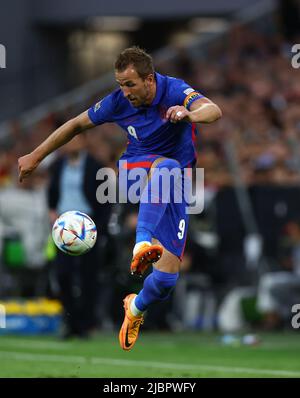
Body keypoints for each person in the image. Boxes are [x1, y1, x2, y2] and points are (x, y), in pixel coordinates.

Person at [18, 46, 222, 350]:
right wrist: (36, 155)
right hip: (135, 170)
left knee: (166, 281)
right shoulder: (116, 103)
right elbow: (75, 125)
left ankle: (136, 307)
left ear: (149, 79)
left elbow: (213, 110)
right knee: (165, 166)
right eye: (120, 85)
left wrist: (188, 113)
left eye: (130, 84)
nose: (125, 92)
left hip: (175, 184)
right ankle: (142, 243)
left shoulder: (175, 90)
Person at [47, 134, 112, 338]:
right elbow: (52, 193)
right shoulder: (58, 166)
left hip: (87, 227)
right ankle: (70, 320)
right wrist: (52, 212)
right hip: (64, 227)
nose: (71, 144)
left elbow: (106, 201)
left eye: (74, 140)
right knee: (63, 274)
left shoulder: (96, 166)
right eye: (67, 141)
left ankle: (85, 324)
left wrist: (98, 228)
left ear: (84, 141)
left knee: (88, 277)